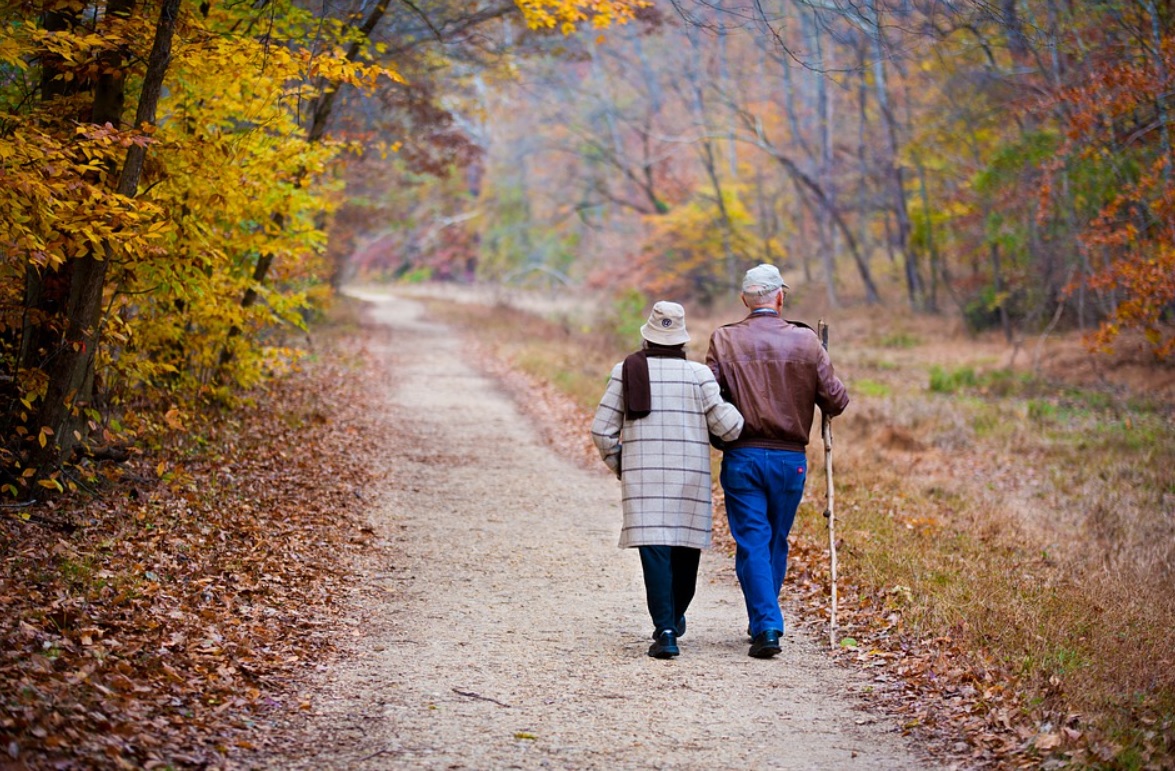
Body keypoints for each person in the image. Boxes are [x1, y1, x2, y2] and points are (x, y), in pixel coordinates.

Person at [706, 264, 849, 659]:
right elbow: (836, 400)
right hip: (790, 460)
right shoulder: (806, 342)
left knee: (753, 540)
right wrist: (820, 363)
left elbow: (707, 395)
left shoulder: (724, 339)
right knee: (773, 540)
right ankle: (766, 622)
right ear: (780, 298)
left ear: (744, 300)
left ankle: (764, 622)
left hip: (742, 454)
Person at [591, 301, 744, 659]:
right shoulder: (699, 375)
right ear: (682, 341)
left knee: (655, 552)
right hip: (689, 478)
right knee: (684, 551)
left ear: (647, 337)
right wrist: (734, 405)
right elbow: (730, 428)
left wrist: (622, 465)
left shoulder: (625, 371)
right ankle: (674, 618)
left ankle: (665, 630)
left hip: (643, 481)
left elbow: (602, 431)